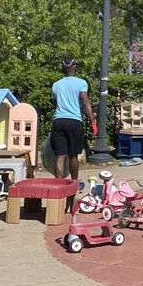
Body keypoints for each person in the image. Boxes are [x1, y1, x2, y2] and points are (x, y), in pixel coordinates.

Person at [50, 60, 96, 204]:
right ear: (74, 68)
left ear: (63, 69)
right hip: (74, 122)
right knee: (73, 156)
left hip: (58, 121)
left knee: (60, 157)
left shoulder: (56, 85)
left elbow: (54, 103)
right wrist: (93, 122)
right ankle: (74, 186)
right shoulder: (81, 83)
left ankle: (57, 189)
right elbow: (84, 101)